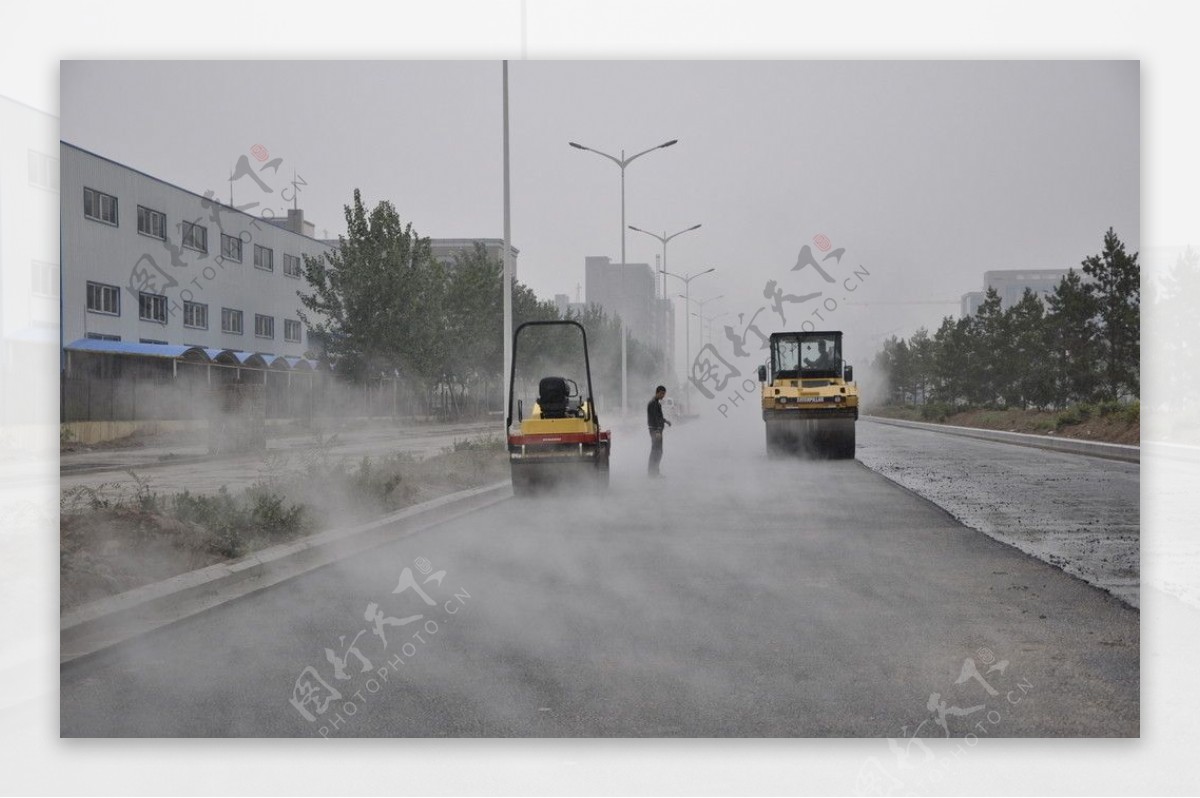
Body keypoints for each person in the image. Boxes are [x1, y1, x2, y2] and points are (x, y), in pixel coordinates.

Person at [647, 385, 672, 476]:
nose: (663, 396)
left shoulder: (656, 403)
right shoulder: (653, 403)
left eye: (664, 394)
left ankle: (654, 472)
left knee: (657, 451)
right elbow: (654, 418)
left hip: (656, 430)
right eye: (661, 393)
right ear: (657, 392)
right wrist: (657, 431)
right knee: (657, 452)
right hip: (655, 431)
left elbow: (659, 417)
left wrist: (666, 421)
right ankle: (653, 472)